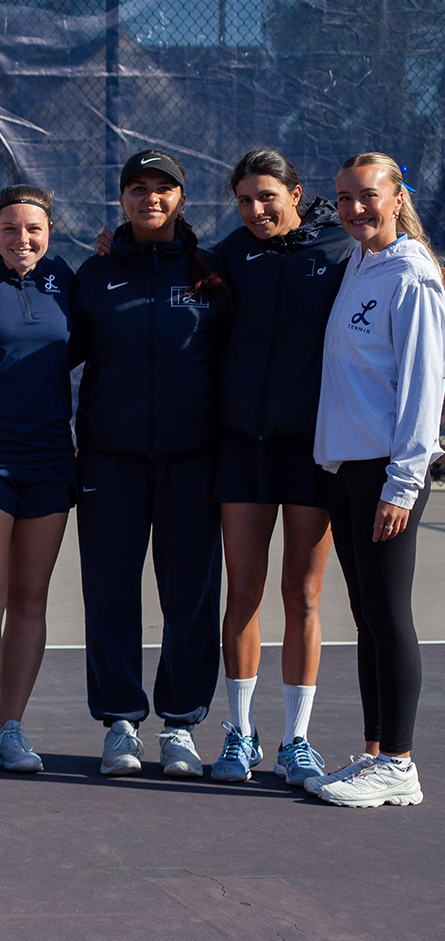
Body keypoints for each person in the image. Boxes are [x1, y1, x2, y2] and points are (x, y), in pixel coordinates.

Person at [72, 149, 230, 779]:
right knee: (109, 591)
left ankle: (182, 724)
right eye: (138, 189)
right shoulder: (95, 273)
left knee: (190, 595)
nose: (151, 199)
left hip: (194, 459)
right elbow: (56, 353)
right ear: (122, 201)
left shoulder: (212, 273)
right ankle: (119, 722)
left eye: (163, 189)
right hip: (110, 459)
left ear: (181, 199)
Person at [203, 150, 350, 785]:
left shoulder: (343, 250)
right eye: (244, 200)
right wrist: (116, 240)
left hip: (314, 448)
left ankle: (297, 739)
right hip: (242, 445)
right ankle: (240, 734)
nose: (256, 210)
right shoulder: (230, 254)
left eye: (267, 197)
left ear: (296, 192)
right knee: (243, 591)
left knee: (303, 593)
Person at [305, 151, 444, 808]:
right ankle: (373, 754)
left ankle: (401, 762)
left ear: (395, 199)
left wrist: (403, 481)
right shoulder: (360, 262)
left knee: (389, 614)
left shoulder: (412, 274)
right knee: (365, 613)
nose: (354, 208)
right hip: (346, 466)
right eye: (344, 198)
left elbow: (424, 387)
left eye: (367, 196)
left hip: (385, 470)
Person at [0, 185, 77, 779]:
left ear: (49, 231)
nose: (21, 240)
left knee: (31, 599)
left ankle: (11, 729)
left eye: (33, 229)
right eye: (9, 229)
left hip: (52, 457)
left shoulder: (66, 280)